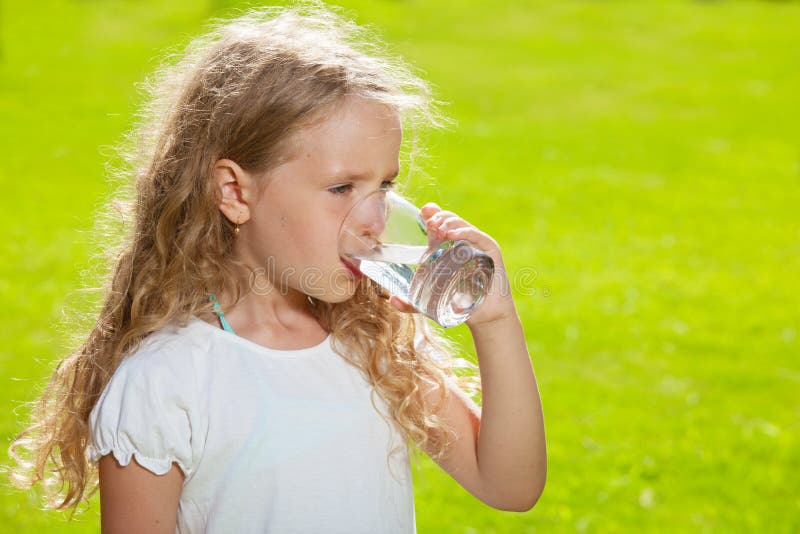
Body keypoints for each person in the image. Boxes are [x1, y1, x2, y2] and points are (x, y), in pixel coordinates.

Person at [8, 3, 546, 533]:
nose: (375, 219)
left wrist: (494, 320)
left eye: (385, 186)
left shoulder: (369, 339)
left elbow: (510, 485)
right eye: (342, 189)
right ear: (235, 192)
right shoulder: (168, 381)